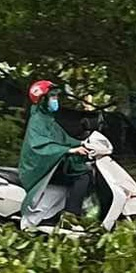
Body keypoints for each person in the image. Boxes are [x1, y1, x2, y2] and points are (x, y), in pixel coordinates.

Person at [16, 79, 90, 221]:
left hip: (51, 165)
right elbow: (40, 146)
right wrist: (69, 151)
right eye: (52, 97)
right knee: (83, 176)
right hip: (37, 170)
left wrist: (83, 143)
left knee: (85, 171)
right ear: (43, 100)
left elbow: (63, 139)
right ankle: (70, 217)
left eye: (56, 97)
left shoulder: (47, 119)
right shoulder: (37, 120)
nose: (55, 100)